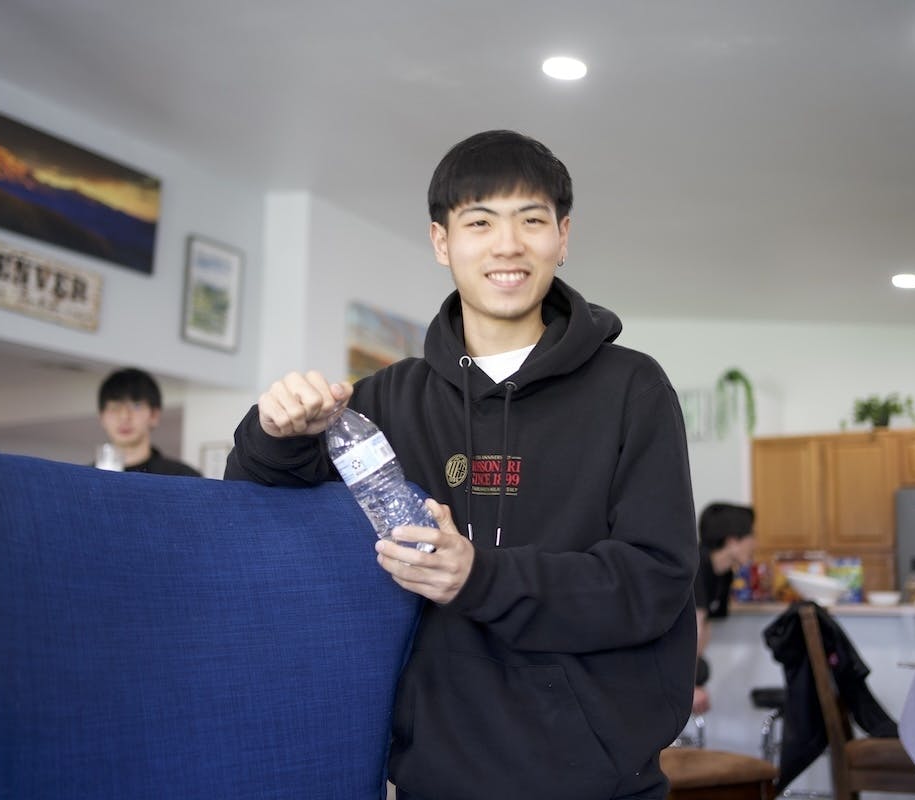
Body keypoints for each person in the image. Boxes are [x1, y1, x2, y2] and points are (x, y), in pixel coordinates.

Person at [224, 130, 698, 799]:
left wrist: (480, 576)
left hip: (599, 780)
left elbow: (654, 582)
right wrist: (273, 433)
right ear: (441, 241)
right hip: (432, 776)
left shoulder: (632, 388)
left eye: (531, 220)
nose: (507, 245)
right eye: (479, 222)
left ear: (562, 237)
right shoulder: (386, 400)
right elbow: (258, 508)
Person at [691, 502, 755, 715]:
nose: (755, 543)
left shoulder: (724, 573)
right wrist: (689, 685)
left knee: (703, 671)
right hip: (656, 657)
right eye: (751, 536)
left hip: (683, 658)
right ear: (732, 541)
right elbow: (695, 625)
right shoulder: (696, 564)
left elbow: (705, 626)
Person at [96, 367, 201, 477]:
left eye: (136, 406)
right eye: (115, 407)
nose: (124, 416)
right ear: (102, 417)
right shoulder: (86, 479)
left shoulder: (184, 477)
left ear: (154, 415)